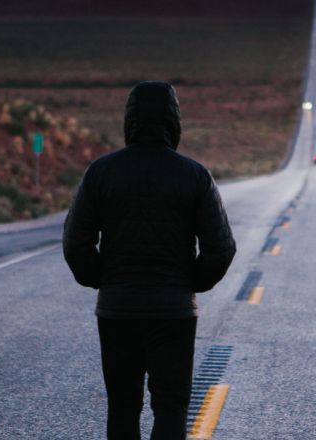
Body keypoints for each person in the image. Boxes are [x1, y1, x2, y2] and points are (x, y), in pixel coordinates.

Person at [62, 81, 236, 440]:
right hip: (173, 312)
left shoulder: (101, 172)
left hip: (117, 310)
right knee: (170, 408)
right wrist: (190, 282)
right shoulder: (194, 175)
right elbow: (221, 248)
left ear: (129, 119)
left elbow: (75, 244)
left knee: (123, 407)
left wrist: (104, 280)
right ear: (174, 121)